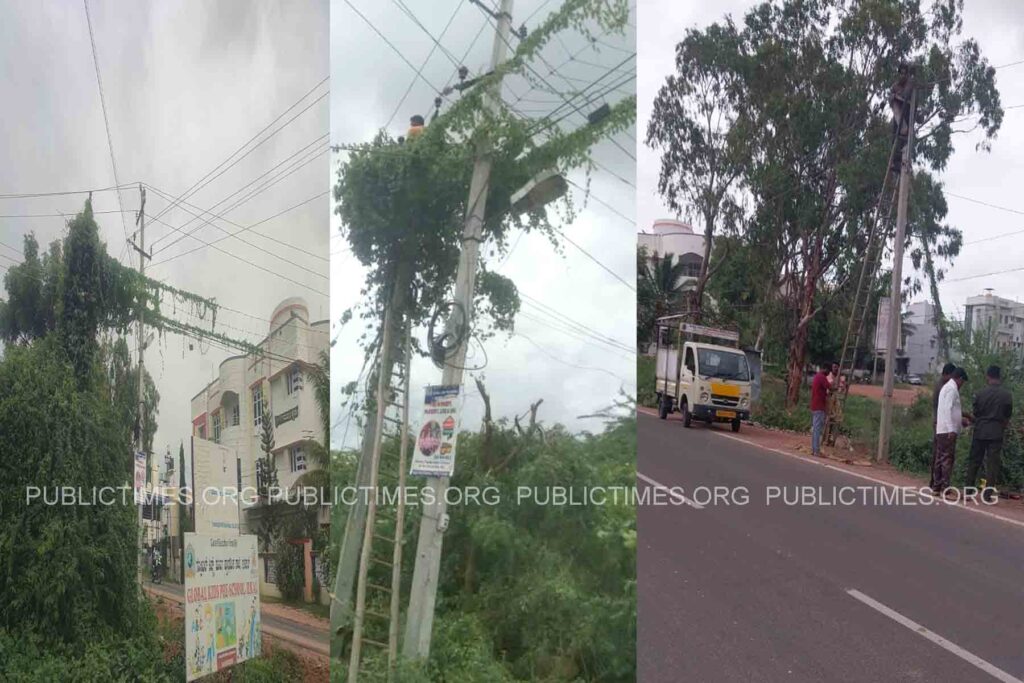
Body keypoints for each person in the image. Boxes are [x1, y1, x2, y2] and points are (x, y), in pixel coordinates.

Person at [966, 365, 1013, 503]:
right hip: (996, 432)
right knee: (992, 465)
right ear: (999, 377)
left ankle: (968, 491)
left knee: (974, 461)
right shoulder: (1006, 395)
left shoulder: (980, 394)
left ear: (988, 376)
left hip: (980, 431)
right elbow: (1007, 415)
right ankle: (987, 495)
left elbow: (975, 413)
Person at [933, 367, 970, 494]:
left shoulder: (947, 388)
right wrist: (951, 429)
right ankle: (945, 488)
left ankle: (937, 486)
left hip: (942, 429)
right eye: (963, 382)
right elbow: (948, 409)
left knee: (940, 458)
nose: (962, 385)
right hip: (947, 430)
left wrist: (960, 421)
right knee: (947, 459)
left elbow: (950, 410)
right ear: (960, 379)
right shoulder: (951, 389)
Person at [928, 363, 957, 489]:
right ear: (947, 374)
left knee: (939, 454)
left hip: (939, 423)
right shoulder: (944, 387)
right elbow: (946, 408)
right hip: (941, 424)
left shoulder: (942, 385)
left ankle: (935, 482)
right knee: (941, 455)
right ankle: (938, 482)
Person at [810, 363, 832, 457]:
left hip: (815, 405)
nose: (828, 373)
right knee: (817, 429)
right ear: (825, 369)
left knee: (816, 429)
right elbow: (830, 387)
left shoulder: (817, 376)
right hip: (819, 406)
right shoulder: (821, 377)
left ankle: (814, 449)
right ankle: (816, 451)